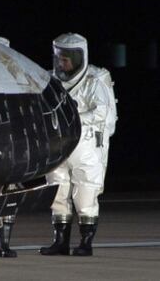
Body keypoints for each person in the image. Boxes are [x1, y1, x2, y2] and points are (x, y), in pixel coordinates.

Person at [40, 33, 117, 256]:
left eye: (67, 59)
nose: (62, 63)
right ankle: (60, 242)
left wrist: (72, 118)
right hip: (58, 144)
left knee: (85, 193)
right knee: (57, 191)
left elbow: (103, 111)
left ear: (79, 57)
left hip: (87, 145)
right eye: (59, 57)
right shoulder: (51, 81)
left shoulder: (95, 80)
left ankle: (85, 243)